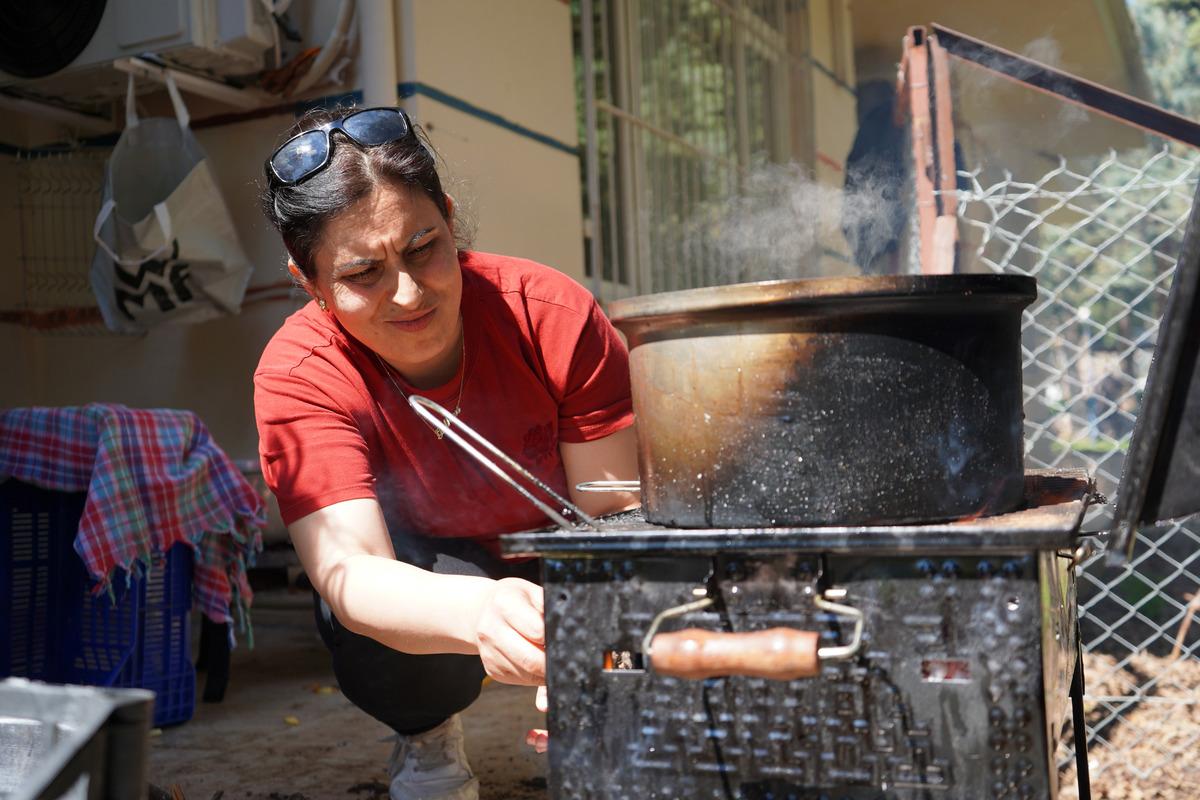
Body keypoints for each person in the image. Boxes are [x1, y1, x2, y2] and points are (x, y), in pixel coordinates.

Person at [253, 106, 639, 800]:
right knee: (367, 629)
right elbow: (350, 571)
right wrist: (480, 612)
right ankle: (427, 734)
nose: (407, 293)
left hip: (561, 556)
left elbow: (616, 515)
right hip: (432, 565)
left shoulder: (549, 314)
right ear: (309, 284)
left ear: (451, 221)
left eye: (423, 246)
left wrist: (598, 631)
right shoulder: (299, 373)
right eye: (363, 273)